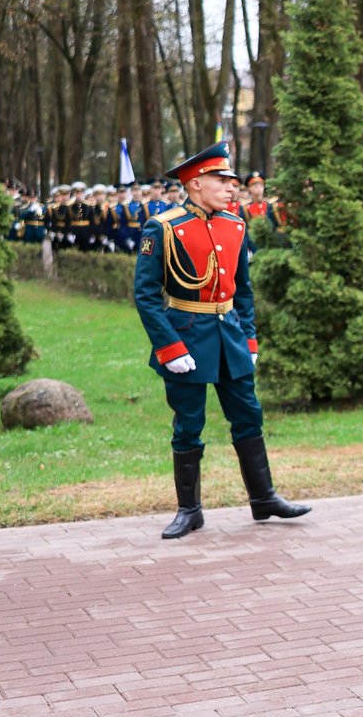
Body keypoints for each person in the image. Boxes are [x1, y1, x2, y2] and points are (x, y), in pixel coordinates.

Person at [133, 142, 311, 540]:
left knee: (248, 415)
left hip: (229, 336)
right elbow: (146, 295)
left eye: (233, 181)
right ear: (195, 184)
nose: (233, 188)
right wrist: (169, 348)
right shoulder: (162, 227)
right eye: (222, 180)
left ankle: (264, 498)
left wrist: (249, 337)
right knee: (189, 425)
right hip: (187, 338)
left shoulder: (235, 225)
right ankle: (190, 510)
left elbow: (243, 292)